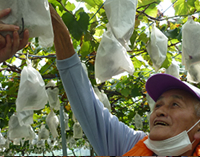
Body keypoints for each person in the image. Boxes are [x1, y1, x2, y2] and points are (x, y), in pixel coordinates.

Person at [2, 5, 200, 156]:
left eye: (175, 104)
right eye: (157, 105)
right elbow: (85, 101)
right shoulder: (130, 144)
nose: (160, 110)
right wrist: (42, 9)